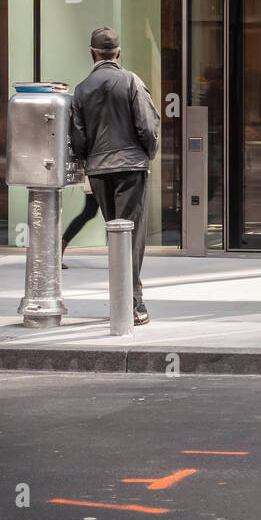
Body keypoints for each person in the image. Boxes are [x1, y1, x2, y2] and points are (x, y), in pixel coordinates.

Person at [69, 27, 160, 326]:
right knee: (131, 238)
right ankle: (133, 304)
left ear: (92, 53)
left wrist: (89, 160)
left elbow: (78, 139)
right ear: (118, 53)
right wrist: (147, 154)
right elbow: (148, 127)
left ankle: (122, 301)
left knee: (115, 236)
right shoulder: (132, 81)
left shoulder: (81, 89)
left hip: (98, 170)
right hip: (130, 168)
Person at [60, 177, 100, 270]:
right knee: (91, 213)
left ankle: (61, 246)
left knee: (89, 212)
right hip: (100, 175)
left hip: (98, 173)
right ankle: (119, 255)